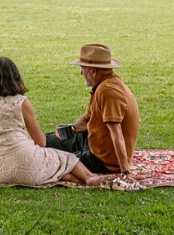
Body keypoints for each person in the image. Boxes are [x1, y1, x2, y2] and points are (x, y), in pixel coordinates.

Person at [0, 57, 102, 187]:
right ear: (15, 79)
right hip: (28, 165)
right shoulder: (21, 102)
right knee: (64, 157)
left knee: (49, 166)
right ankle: (89, 178)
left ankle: (62, 176)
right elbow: (41, 142)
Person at [44, 44, 139, 178]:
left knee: (49, 160)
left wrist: (125, 172)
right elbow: (89, 117)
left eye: (83, 69)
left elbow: (117, 135)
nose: (81, 73)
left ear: (93, 71)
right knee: (44, 140)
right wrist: (72, 129)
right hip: (91, 142)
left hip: (101, 160)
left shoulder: (108, 92)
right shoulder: (103, 85)